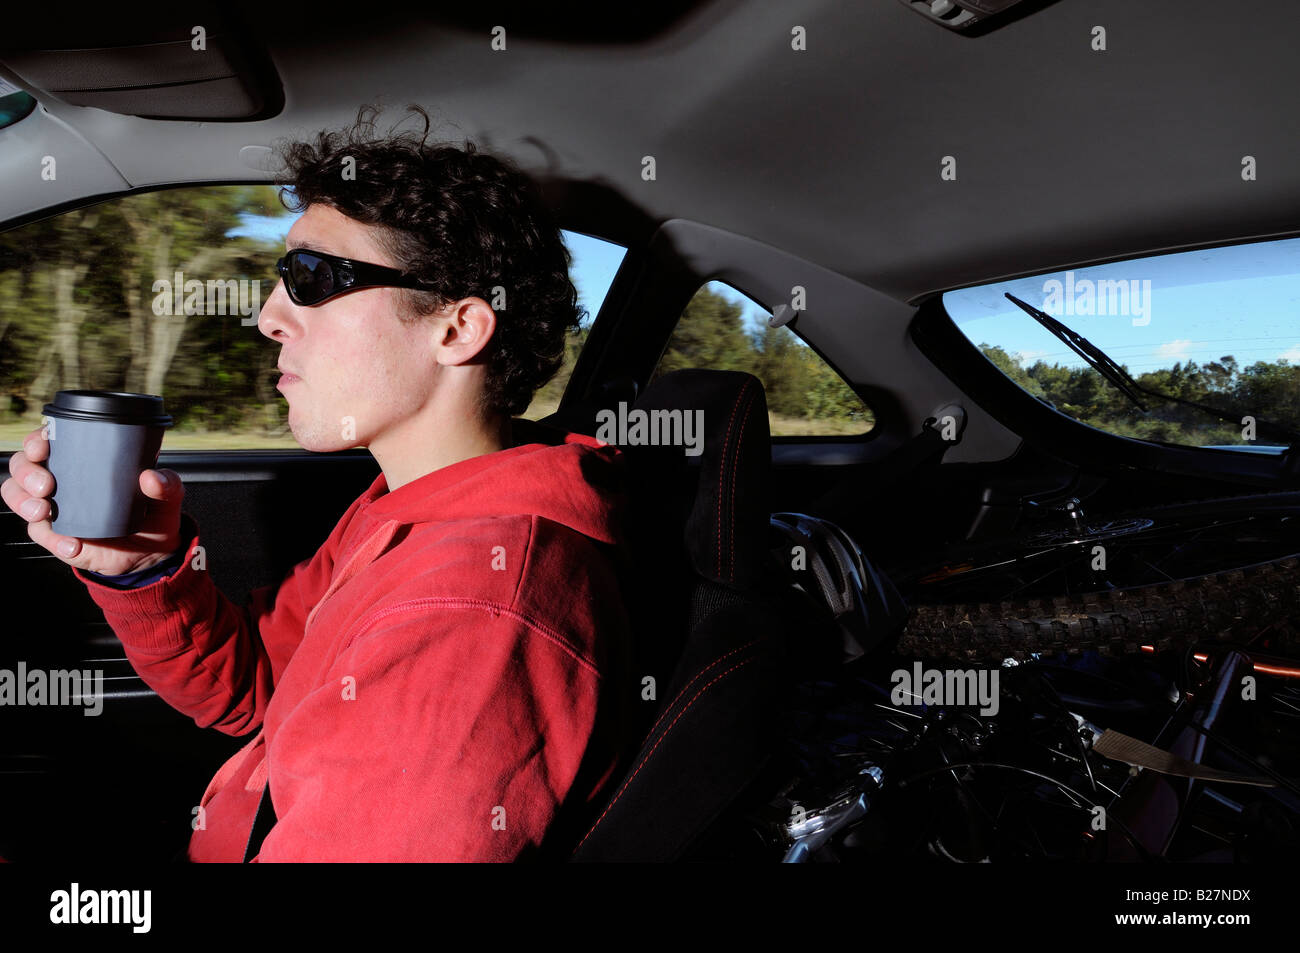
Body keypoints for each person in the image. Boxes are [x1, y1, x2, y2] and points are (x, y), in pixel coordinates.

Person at [0, 105, 633, 861]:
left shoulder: (471, 610)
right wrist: (143, 569)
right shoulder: (407, 510)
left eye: (311, 278)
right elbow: (259, 689)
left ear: (457, 328)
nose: (269, 318)